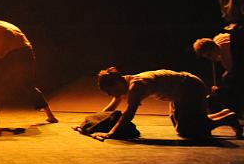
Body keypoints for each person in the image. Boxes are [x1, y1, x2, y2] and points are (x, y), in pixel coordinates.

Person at [93, 67, 242, 140]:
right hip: (179, 91)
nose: (109, 94)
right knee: (180, 125)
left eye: (109, 90)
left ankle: (228, 118)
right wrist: (96, 119)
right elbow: (115, 102)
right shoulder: (124, 82)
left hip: (189, 87)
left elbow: (129, 114)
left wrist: (110, 134)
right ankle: (225, 114)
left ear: (116, 83)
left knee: (187, 130)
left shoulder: (135, 86)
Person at [0, 19, 58, 126]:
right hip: (26, 52)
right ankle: (51, 116)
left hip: (16, 53)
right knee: (28, 84)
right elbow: (5, 61)